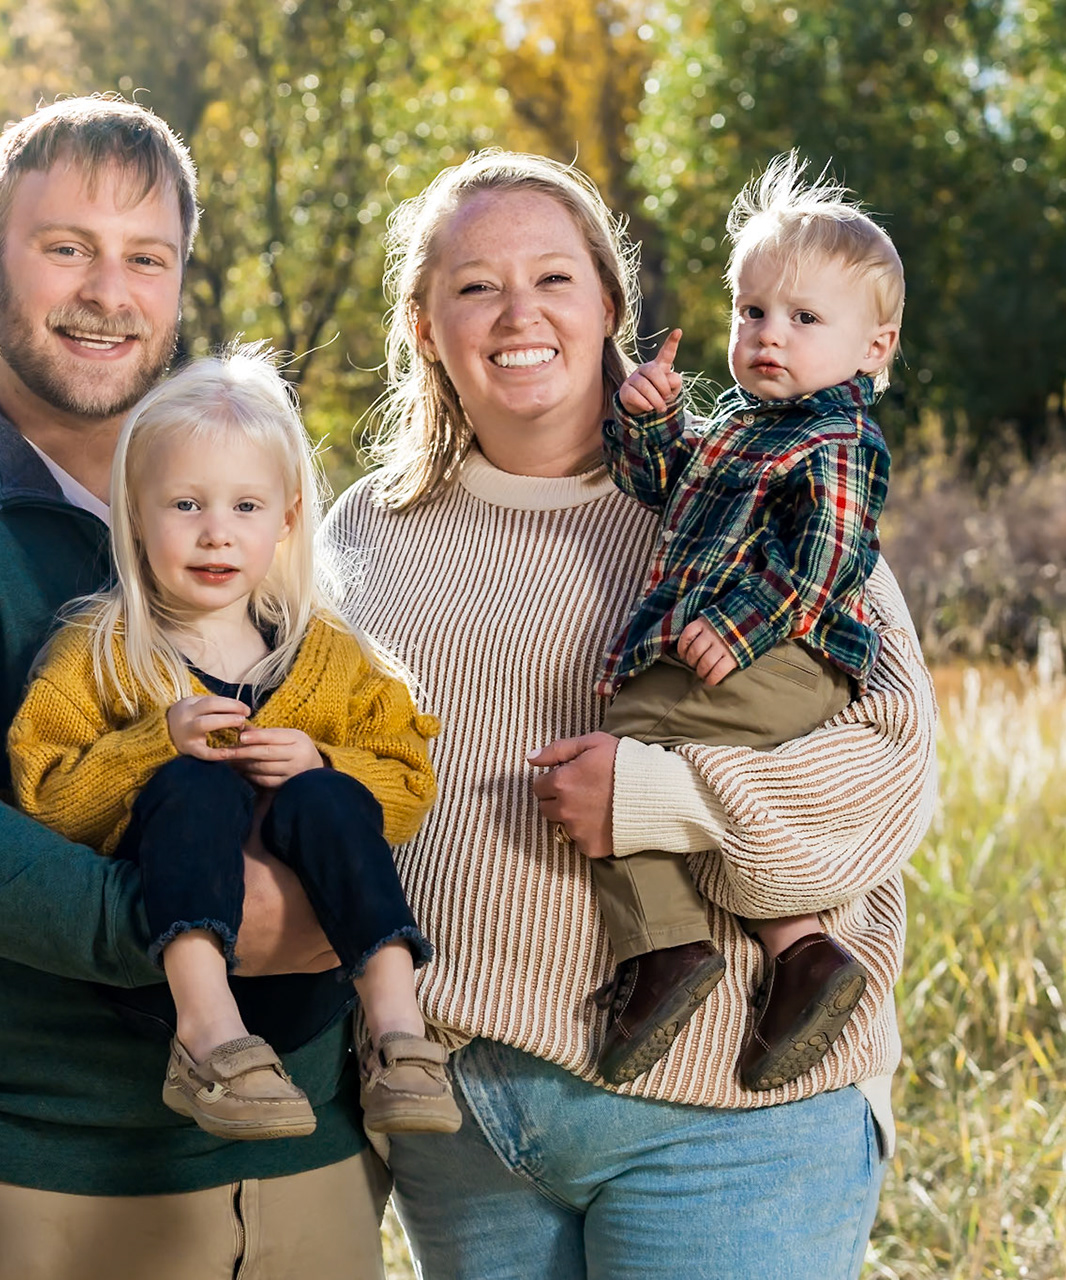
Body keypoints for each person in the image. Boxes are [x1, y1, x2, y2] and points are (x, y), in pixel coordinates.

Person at [0, 97, 390, 1280]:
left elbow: (363, 744)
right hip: (45, 1171)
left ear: (178, 282)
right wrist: (202, 920)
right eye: (66, 247)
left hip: (307, 1163)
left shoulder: (256, 511)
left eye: (145, 257)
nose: (106, 292)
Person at [320, 150, 937, 1278]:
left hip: (730, 1119)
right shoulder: (361, 532)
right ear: (423, 326)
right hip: (464, 1122)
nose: (520, 313)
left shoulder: (742, 487)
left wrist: (665, 797)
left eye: (555, 278)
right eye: (475, 286)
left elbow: (892, 771)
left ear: (611, 304)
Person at [6, 349, 461, 1142]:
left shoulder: (327, 654)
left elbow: (408, 781)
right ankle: (206, 1036)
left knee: (328, 791)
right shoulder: (103, 651)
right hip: (159, 984)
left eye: (246, 506)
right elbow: (44, 795)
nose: (216, 533)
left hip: (308, 990)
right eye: (186, 505)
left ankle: (397, 1031)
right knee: (196, 782)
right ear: (134, 514)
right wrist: (154, 744)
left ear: (286, 519)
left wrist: (324, 761)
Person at [588, 151, 903, 1091]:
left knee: (623, 761)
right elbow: (658, 488)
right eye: (752, 312)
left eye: (805, 319)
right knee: (662, 765)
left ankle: (668, 949)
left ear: (874, 348)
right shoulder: (735, 428)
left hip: (789, 656)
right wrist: (650, 421)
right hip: (760, 656)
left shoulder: (838, 436)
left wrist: (741, 629)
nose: (770, 335)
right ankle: (801, 954)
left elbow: (828, 561)